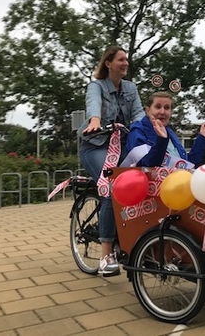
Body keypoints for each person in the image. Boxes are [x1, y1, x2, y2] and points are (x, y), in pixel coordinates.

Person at [78, 46, 145, 276]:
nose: (126, 63)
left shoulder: (131, 88)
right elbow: (93, 103)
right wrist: (95, 119)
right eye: (121, 59)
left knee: (143, 181)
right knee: (111, 188)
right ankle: (106, 254)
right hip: (96, 146)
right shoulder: (96, 86)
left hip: (123, 147)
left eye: (127, 59)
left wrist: (150, 129)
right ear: (108, 63)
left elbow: (138, 114)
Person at [124, 91, 205, 168]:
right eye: (158, 107)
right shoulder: (138, 130)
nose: (162, 112)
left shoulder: (170, 133)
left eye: (166, 108)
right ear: (147, 110)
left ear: (171, 112)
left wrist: (201, 141)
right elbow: (145, 166)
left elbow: (188, 166)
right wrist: (161, 140)